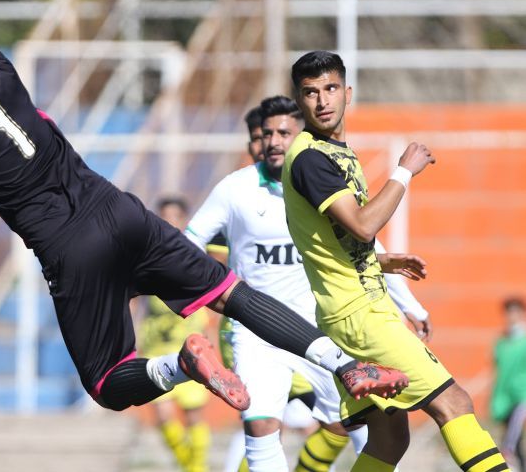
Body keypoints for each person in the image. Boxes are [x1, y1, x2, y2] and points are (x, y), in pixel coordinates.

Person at [0, 0, 406, 420]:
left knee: (107, 383)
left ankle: (182, 365)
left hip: (73, 252)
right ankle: (342, 364)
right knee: (233, 295)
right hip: (121, 211)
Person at [281, 50, 509, 471]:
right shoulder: (311, 158)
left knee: (389, 439)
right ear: (299, 100)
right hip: (360, 317)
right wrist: (403, 171)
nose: (323, 100)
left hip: (355, 311)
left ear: (348, 93)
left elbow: (338, 237)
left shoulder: (331, 151)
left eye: (330, 88)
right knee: (454, 402)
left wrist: (380, 262)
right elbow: (363, 225)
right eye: (311, 92)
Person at [187, 96, 433, 472]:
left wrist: (410, 305)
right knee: (261, 426)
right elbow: (189, 242)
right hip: (257, 331)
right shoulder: (235, 189)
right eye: (267, 133)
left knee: (357, 425)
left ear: (299, 135)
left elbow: (364, 247)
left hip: (320, 328)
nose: (274, 141)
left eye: (283, 133)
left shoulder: (317, 182)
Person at [137, 196, 211, 472]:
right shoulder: (143, 254)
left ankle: (197, 467)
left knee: (193, 416)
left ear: (183, 220)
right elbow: (134, 299)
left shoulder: (194, 254)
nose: (169, 221)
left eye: (174, 216)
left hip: (190, 348)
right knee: (163, 416)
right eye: (164, 216)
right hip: (156, 348)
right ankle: (190, 467)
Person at [491, 297, 526, 471]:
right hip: (505, 397)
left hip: (522, 395)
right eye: (509, 312)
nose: (511, 316)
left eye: (515, 312)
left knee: (510, 440)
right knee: (514, 438)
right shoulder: (501, 342)